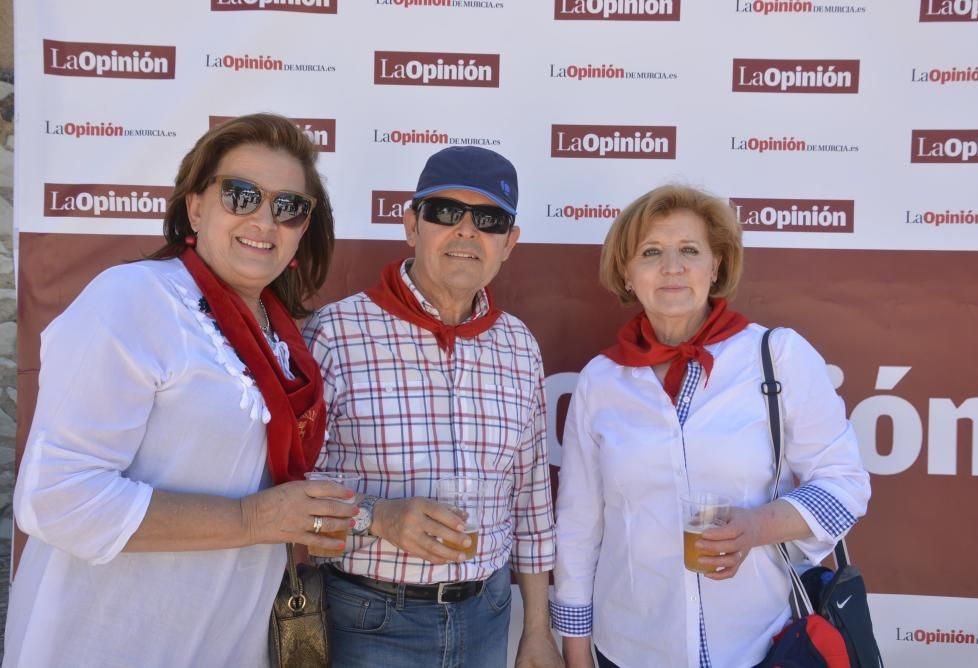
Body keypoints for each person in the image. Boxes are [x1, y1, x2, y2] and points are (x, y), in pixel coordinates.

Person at [3, 113, 352, 667]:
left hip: (224, 644)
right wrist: (251, 520)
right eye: (241, 195)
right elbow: (56, 499)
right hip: (106, 641)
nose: (265, 219)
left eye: (289, 207)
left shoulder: (283, 339)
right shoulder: (136, 299)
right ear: (195, 205)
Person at [549, 185, 871, 668]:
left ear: (715, 266)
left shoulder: (777, 357)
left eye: (690, 251)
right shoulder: (601, 379)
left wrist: (757, 526)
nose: (672, 267)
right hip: (630, 650)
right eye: (651, 252)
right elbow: (578, 525)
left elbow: (846, 484)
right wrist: (575, 652)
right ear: (627, 273)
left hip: (760, 646)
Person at [303, 146, 562, 668]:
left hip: (488, 614)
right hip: (368, 616)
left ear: (509, 243)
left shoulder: (519, 345)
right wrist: (377, 518)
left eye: (488, 220)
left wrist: (535, 629)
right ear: (410, 224)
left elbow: (531, 499)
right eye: (446, 211)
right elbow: (289, 485)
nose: (466, 231)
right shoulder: (335, 333)